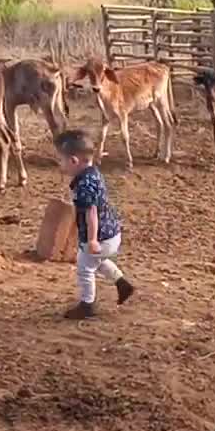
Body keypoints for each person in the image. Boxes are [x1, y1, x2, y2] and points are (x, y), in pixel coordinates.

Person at [55, 130, 135, 319]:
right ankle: (122, 283)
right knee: (95, 261)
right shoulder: (93, 173)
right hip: (110, 233)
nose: (60, 165)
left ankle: (87, 305)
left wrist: (91, 239)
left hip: (101, 236)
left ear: (74, 161)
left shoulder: (84, 185)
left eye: (62, 160)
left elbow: (91, 211)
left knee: (85, 268)